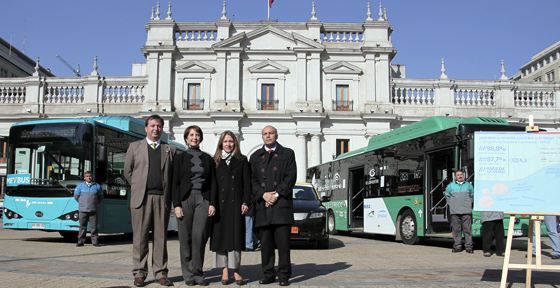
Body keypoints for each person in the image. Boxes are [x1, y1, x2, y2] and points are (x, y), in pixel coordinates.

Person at [124, 114, 176, 287]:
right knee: (140, 238)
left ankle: (161, 273)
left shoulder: (170, 149)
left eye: (159, 126)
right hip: (141, 198)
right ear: (146, 128)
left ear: (162, 129)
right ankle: (140, 272)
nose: (156, 128)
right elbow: (127, 172)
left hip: (162, 198)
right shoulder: (134, 147)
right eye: (152, 125)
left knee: (161, 238)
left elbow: (173, 175)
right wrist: (138, 186)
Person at [249, 125, 297, 286]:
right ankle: (268, 273)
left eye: (270, 133)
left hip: (281, 205)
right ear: (261, 137)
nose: (268, 136)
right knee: (266, 245)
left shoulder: (288, 153)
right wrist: (263, 195)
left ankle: (284, 275)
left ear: (276, 135)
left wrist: (276, 194)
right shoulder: (255, 156)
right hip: (263, 206)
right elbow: (252, 180)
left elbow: (291, 177)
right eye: (265, 134)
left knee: (283, 245)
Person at [172, 125, 217, 286]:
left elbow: (213, 183)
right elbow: (175, 183)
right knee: (186, 238)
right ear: (186, 138)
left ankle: (198, 273)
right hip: (185, 200)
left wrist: (212, 203)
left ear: (200, 138)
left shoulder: (207, 158)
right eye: (191, 135)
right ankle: (188, 274)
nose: (194, 137)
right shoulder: (179, 158)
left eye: (197, 135)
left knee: (199, 237)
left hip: (203, 200)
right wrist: (176, 205)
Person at [210, 131, 251, 285]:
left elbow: (247, 184)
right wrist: (212, 203)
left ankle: (237, 270)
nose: (228, 144)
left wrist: (246, 202)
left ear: (235, 143)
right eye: (225, 141)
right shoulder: (215, 161)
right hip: (220, 206)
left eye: (231, 141)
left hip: (236, 204)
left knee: (235, 238)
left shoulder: (242, 160)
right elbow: (213, 184)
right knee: (221, 238)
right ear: (221, 143)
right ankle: (224, 270)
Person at [444, 170, 474, 253]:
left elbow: (471, 197)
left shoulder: (469, 185)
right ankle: (457, 246)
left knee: (467, 229)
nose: (460, 176)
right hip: (455, 212)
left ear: (463, 176)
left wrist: (467, 205)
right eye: (458, 175)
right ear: (455, 177)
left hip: (466, 211)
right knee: (456, 230)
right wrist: (453, 205)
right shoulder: (451, 186)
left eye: (461, 175)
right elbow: (447, 197)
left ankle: (469, 247)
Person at [74, 171, 103, 247]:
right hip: (82, 210)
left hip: (93, 210)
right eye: (87, 176)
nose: (88, 177)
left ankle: (95, 242)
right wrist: (82, 203)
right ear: (84, 177)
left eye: (90, 176)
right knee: (82, 227)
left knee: (94, 227)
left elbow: (101, 197)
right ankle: (81, 241)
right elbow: (76, 196)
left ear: (92, 177)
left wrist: (95, 203)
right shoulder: (80, 186)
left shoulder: (97, 186)